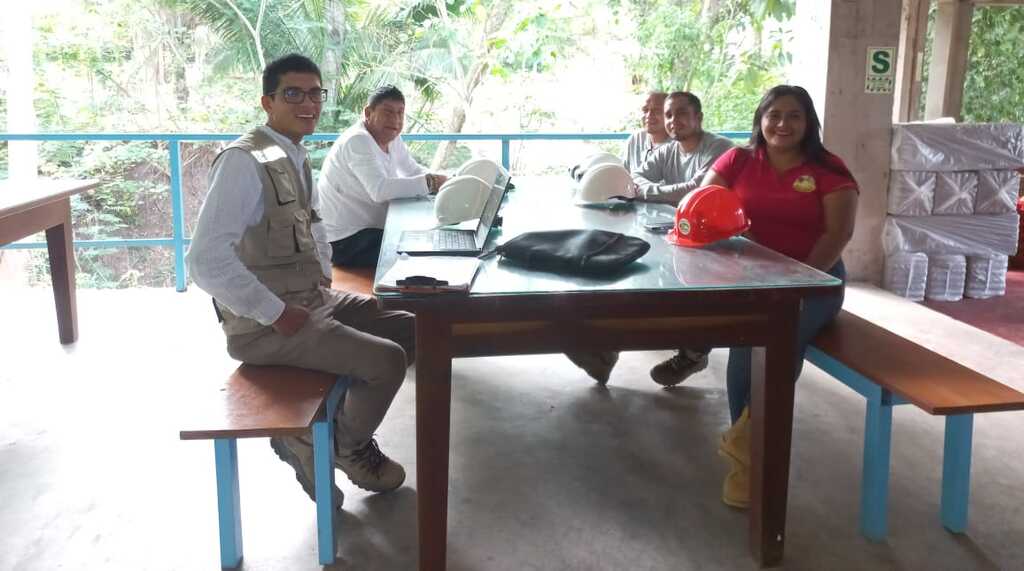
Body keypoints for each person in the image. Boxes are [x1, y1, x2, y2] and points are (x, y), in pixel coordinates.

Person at [186, 54, 414, 509]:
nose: (307, 103)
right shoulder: (242, 162)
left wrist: (323, 276)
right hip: (266, 325)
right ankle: (340, 447)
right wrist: (274, 312)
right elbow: (204, 260)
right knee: (387, 361)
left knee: (409, 325)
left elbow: (313, 224)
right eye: (293, 93)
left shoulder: (290, 152)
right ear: (267, 102)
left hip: (311, 298)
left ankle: (324, 437)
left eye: (315, 93)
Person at [704, 85, 858, 509]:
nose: (782, 124)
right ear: (761, 119)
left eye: (794, 116)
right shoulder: (737, 160)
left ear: (808, 123)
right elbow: (703, 204)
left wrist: (798, 283)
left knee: (779, 339)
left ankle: (748, 452)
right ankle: (750, 454)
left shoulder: (828, 168)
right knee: (744, 347)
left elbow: (838, 234)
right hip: (753, 279)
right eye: (774, 115)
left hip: (816, 280)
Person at [632, 91, 735, 386]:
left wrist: (649, 192)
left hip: (720, 239)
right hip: (683, 232)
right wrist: (655, 191)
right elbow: (636, 176)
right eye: (668, 115)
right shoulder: (668, 150)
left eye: (681, 113)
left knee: (694, 287)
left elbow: (694, 190)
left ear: (698, 117)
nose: (673, 120)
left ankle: (693, 353)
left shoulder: (719, 148)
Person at [318, 85, 449, 268]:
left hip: (372, 229)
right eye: (388, 112)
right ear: (368, 113)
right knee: (421, 254)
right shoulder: (357, 140)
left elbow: (412, 170)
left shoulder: (392, 138)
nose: (395, 119)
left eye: (400, 113)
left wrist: (448, 182)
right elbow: (379, 190)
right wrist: (431, 182)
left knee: (429, 237)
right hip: (344, 241)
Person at [623, 91, 670, 172]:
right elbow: (624, 173)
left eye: (657, 111)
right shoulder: (635, 139)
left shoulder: (680, 146)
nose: (649, 115)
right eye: (645, 110)